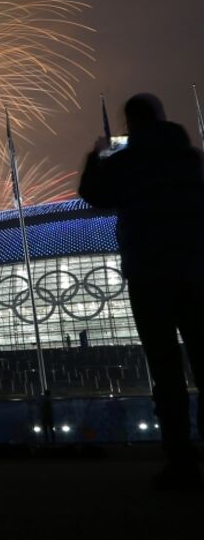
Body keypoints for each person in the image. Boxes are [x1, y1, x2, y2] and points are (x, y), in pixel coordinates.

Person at [79, 93, 204, 490]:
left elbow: (92, 194)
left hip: (149, 274)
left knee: (165, 371)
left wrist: (97, 155)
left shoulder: (126, 163)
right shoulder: (190, 159)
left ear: (131, 124)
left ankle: (180, 461)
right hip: (194, 271)